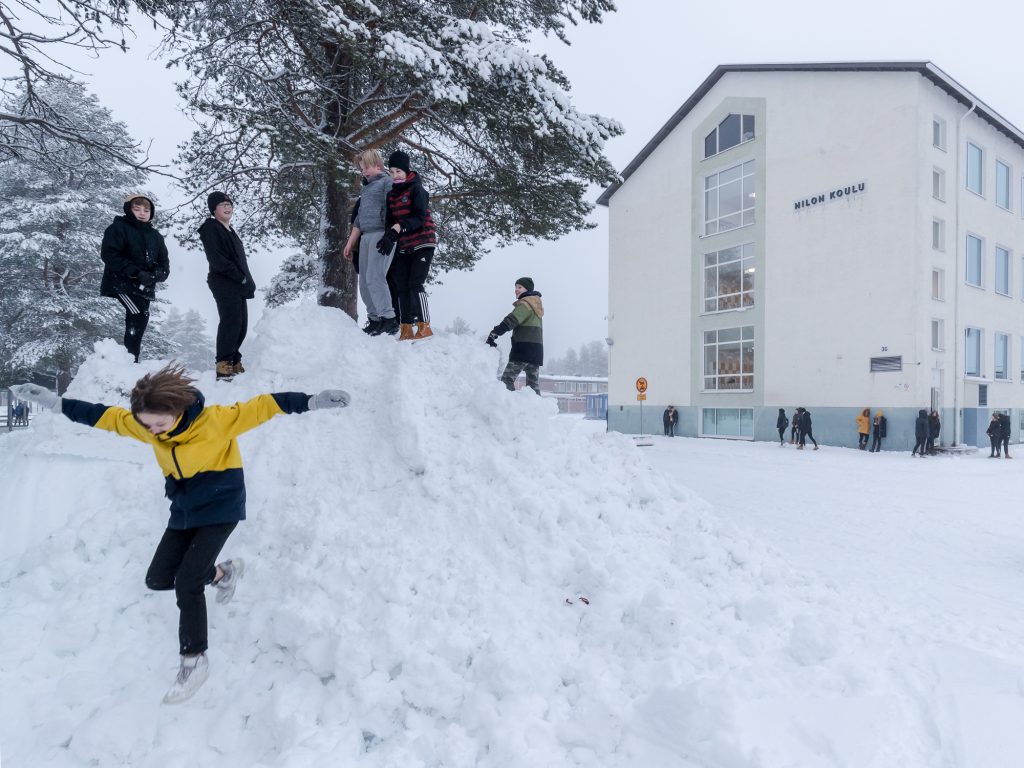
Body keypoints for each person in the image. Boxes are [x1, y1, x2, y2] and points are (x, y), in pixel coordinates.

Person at [11, 366, 350, 704]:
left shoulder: (216, 421)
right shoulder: (149, 426)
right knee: (158, 579)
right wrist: (56, 404)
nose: (153, 431)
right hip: (185, 507)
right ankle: (223, 573)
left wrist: (313, 401)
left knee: (188, 581)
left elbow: (265, 405)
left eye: (160, 423)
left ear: (178, 410)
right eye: (148, 425)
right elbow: (106, 417)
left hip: (221, 504)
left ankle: (194, 660)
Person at [100, 193, 170, 363]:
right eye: (137, 208)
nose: (142, 213)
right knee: (138, 314)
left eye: (146, 210)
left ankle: (130, 358)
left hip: (144, 287)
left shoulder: (156, 236)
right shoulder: (118, 228)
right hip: (121, 283)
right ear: (128, 209)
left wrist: (155, 275)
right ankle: (130, 359)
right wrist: (136, 272)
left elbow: (164, 265)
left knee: (141, 317)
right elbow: (109, 254)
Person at [379, 150, 437, 342]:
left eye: (399, 171)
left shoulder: (417, 190)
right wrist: (388, 238)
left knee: (415, 283)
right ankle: (406, 328)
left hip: (423, 243)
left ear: (406, 170)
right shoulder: (391, 196)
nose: (395, 175)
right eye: (392, 171)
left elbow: (419, 218)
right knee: (401, 285)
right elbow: (390, 222)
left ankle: (424, 325)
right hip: (404, 246)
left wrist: (398, 228)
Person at [199, 192, 255, 380]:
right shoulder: (211, 228)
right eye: (222, 204)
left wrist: (248, 281)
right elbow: (216, 259)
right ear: (214, 209)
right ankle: (223, 363)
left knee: (241, 324)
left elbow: (240, 261)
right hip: (223, 280)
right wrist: (239, 277)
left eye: (229, 203)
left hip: (238, 282)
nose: (227, 207)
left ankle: (234, 360)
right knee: (230, 321)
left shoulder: (230, 230)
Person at [344, 150, 397, 336]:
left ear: (378, 166)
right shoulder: (366, 189)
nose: (363, 172)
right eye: (361, 169)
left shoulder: (386, 182)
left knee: (375, 277)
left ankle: (388, 319)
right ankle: (374, 319)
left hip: (381, 234)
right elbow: (358, 219)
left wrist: (390, 234)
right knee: (365, 282)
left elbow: (393, 209)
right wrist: (351, 242)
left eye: (366, 167)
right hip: (365, 236)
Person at [487, 277, 544, 394]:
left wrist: (495, 333)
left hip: (523, 350)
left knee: (506, 381)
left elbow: (511, 321)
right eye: (515, 287)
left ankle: (511, 409)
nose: (516, 290)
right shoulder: (536, 305)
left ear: (527, 289)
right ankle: (535, 411)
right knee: (533, 387)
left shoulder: (526, 304)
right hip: (536, 351)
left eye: (520, 287)